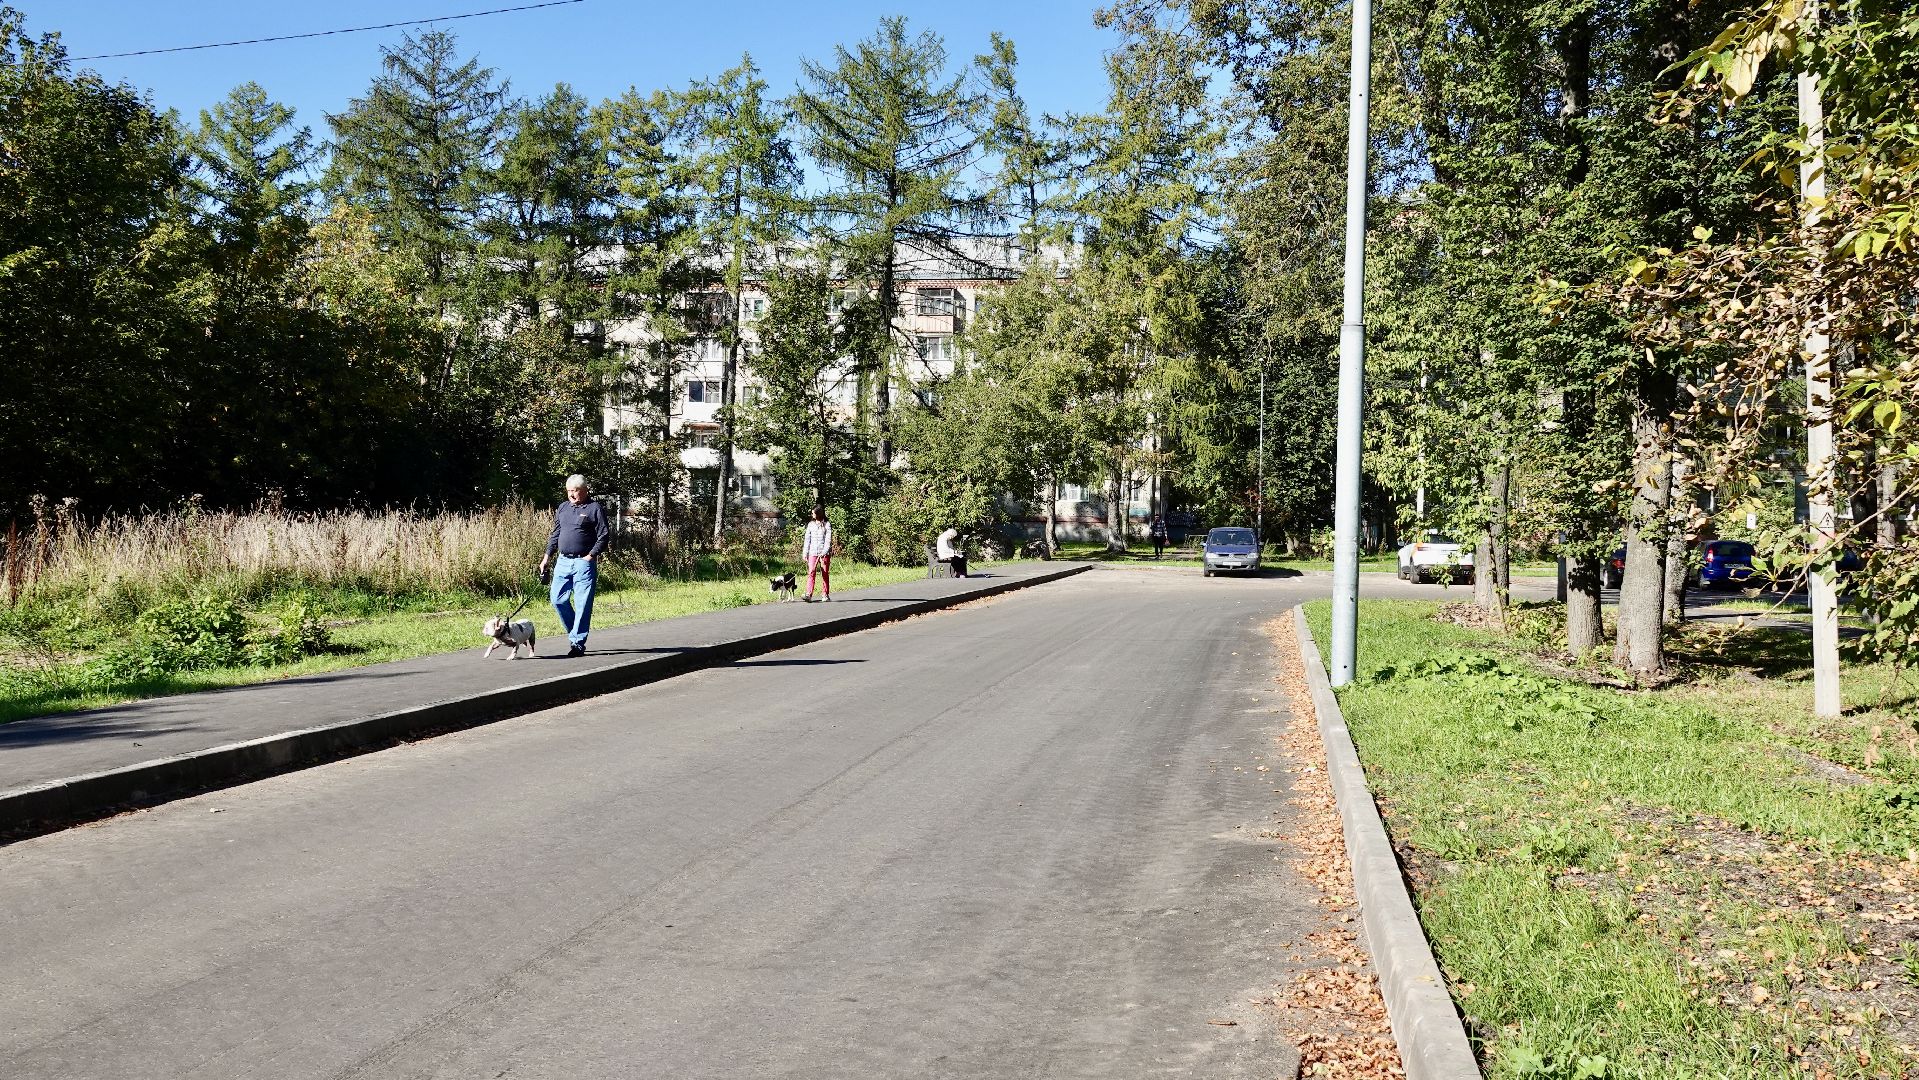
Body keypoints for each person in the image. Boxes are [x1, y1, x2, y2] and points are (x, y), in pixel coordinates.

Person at [538, 474, 609, 657]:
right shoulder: (563, 507)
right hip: (562, 561)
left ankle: (577, 643)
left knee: (582, 604)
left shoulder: (594, 508)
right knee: (557, 599)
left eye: (575, 491)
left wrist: (591, 556)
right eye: (569, 491)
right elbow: (555, 535)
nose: (571, 495)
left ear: (585, 491)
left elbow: (604, 535)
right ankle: (574, 634)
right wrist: (546, 558)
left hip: (583, 563)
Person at [802, 505, 833, 602]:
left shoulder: (827, 524)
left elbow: (828, 540)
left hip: (824, 554)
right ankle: (808, 594)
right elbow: (807, 540)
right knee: (811, 572)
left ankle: (825, 594)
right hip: (812, 553)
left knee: (824, 573)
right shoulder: (811, 524)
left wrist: (824, 552)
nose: (812, 514)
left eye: (813, 513)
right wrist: (805, 553)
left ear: (818, 513)